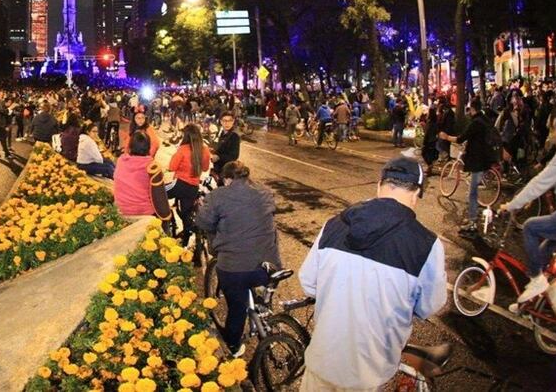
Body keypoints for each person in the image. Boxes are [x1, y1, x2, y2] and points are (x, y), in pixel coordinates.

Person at [298, 157, 447, 391]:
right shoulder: (426, 245)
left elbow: (308, 283)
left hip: (322, 363)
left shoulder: (333, 225)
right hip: (371, 373)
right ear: (416, 193)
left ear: (379, 186)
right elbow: (429, 305)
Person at [195, 161, 280, 357]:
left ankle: (233, 346)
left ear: (226, 179)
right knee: (260, 281)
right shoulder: (265, 192)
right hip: (270, 264)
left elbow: (203, 222)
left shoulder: (218, 196)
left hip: (235, 268)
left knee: (236, 307)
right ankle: (266, 312)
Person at [499, 106, 556, 306]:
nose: (551, 134)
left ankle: (537, 281)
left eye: (553, 129)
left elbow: (541, 182)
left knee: (530, 227)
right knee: (543, 255)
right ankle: (529, 305)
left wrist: (512, 205)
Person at [439, 98, 495, 234]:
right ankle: (473, 220)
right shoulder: (485, 120)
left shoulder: (475, 123)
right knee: (473, 190)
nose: (469, 112)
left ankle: (472, 222)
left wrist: (446, 137)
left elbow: (460, 138)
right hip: (486, 159)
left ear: (473, 109)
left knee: (473, 193)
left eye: (470, 109)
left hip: (477, 161)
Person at [168, 124, 211, 244]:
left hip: (179, 184)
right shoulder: (205, 150)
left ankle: (165, 222)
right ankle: (186, 240)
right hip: (193, 187)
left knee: (157, 193)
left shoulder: (183, 149)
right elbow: (205, 167)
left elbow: (171, 167)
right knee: (186, 213)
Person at [113, 132, 159, 216]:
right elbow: (158, 192)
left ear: (130, 146)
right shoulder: (151, 165)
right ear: (148, 147)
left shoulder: (121, 160)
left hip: (121, 208)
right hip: (143, 210)